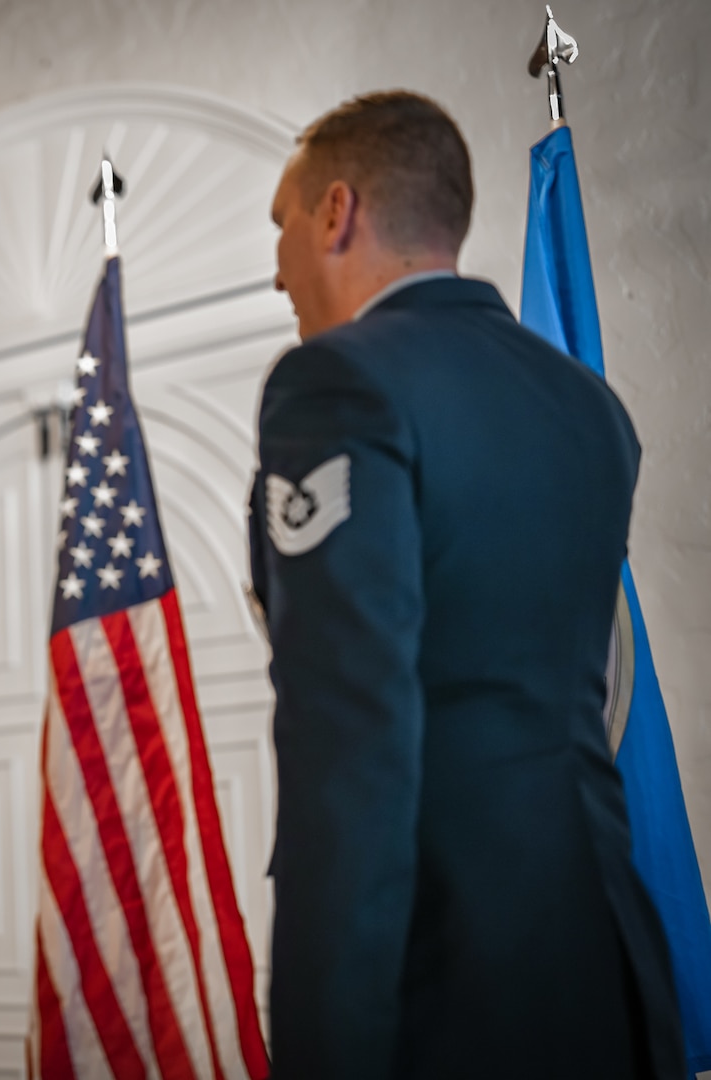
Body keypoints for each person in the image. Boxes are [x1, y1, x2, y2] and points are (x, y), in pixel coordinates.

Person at [249, 90, 684, 1079]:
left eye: (280, 227)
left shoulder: (334, 385)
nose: (275, 270)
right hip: (605, 950)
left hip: (443, 974)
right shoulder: (588, 407)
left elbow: (349, 735)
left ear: (337, 212)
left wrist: (325, 1041)